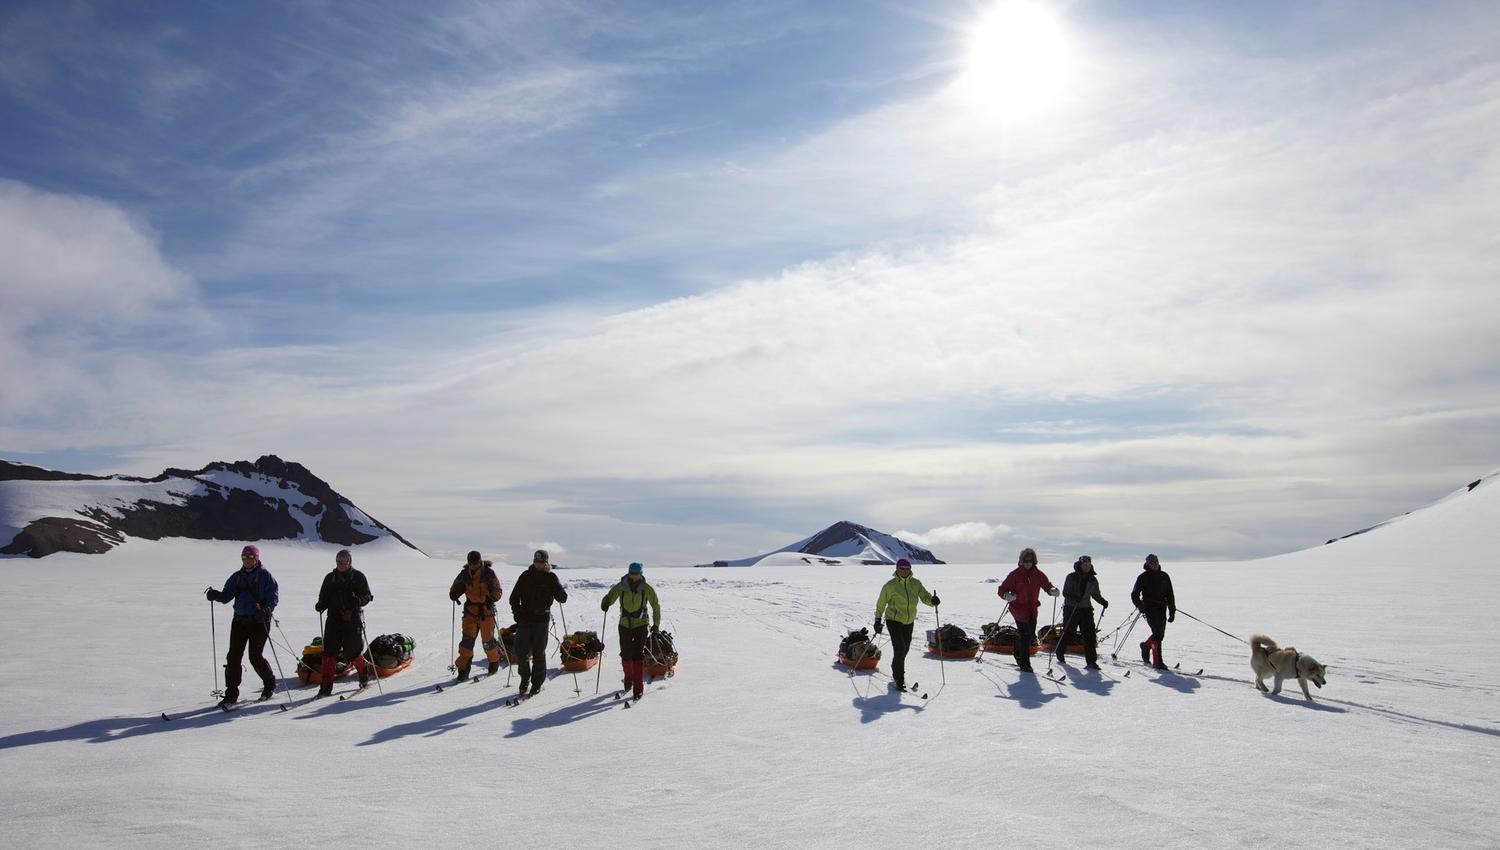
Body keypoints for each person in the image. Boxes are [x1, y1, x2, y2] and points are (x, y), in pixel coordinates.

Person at [204, 544, 280, 707]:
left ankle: (269, 684)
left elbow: (273, 597)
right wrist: (214, 595)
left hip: (259, 622)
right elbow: (226, 597)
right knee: (233, 657)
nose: (246, 560)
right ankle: (231, 694)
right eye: (244, 557)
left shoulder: (265, 576)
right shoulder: (237, 577)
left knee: (255, 656)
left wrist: (266, 611)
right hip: (239, 621)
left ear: (256, 559)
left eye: (250, 557)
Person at [312, 548, 373, 696]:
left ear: (350, 562)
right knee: (329, 653)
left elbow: (368, 596)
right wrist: (321, 604)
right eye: (339, 562)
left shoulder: (358, 577)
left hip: (352, 619)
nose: (341, 564)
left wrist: (359, 600)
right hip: (333, 619)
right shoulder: (330, 578)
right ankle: (325, 687)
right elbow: (323, 596)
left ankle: (363, 673)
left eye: (345, 562)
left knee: (352, 652)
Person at [872, 558, 939, 692]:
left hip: (909, 621)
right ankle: (899, 680)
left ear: (910, 569)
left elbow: (924, 596)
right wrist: (877, 620)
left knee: (905, 649)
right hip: (893, 620)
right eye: (901, 568)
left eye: (907, 568)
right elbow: (881, 603)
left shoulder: (915, 583)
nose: (904, 571)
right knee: (900, 649)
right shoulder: (890, 586)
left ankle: (895, 667)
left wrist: (932, 601)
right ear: (897, 569)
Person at [510, 549, 568, 695]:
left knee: (538, 652)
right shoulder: (525, 576)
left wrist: (556, 588)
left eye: (541, 562)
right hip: (525, 618)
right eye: (536, 561)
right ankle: (524, 679)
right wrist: (517, 614)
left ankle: (536, 683)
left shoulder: (550, 577)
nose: (538, 564)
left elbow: (563, 598)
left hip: (541, 620)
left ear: (546, 562)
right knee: (520, 650)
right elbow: (513, 598)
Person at [600, 561, 662, 700]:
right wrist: (605, 603)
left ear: (641, 574)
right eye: (631, 573)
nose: (633, 576)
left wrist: (656, 625)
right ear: (628, 573)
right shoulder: (621, 587)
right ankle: (628, 680)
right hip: (624, 625)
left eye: (636, 574)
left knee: (638, 655)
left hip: (641, 625)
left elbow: (655, 606)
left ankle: (638, 688)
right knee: (626, 654)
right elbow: (610, 596)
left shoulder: (647, 589)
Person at [996, 547, 1058, 673]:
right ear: (1021, 561)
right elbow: (1001, 590)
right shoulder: (1015, 575)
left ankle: (1017, 652)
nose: (1027, 563)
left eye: (1030, 561)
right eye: (1025, 561)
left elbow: (1046, 585)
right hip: (1018, 609)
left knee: (1029, 636)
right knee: (1025, 635)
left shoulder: (1038, 574)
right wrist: (1007, 595)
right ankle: (1025, 664)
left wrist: (1052, 590)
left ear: (1034, 562)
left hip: (1032, 610)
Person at [448, 550, 504, 681]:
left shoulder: (488, 573)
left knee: (488, 642)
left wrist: (493, 598)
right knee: (466, 643)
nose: (473, 565)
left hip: (486, 612)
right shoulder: (464, 575)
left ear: (480, 562)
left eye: (475, 563)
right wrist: (454, 593)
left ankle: (494, 662)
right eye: (471, 563)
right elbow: (456, 587)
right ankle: (463, 670)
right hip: (470, 612)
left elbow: (497, 590)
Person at [1056, 555, 1108, 669]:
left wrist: (1102, 601)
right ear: (1080, 565)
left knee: (1090, 635)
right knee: (1069, 632)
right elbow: (1066, 592)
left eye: (1088, 565)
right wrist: (1075, 597)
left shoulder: (1092, 579)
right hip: (1071, 608)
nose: (1087, 567)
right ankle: (1059, 651)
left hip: (1086, 609)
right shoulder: (1071, 577)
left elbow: (1095, 594)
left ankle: (1091, 661)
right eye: (1085, 565)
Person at [1130, 553, 1176, 670]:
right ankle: (1158, 662)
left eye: (1156, 563)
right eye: (1152, 564)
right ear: (1148, 564)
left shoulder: (1164, 576)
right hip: (1149, 608)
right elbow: (1134, 594)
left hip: (1162, 608)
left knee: (1160, 634)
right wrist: (1140, 605)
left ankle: (1145, 646)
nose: (1155, 565)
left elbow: (1170, 594)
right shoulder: (1143, 577)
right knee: (1157, 633)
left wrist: (1172, 610)